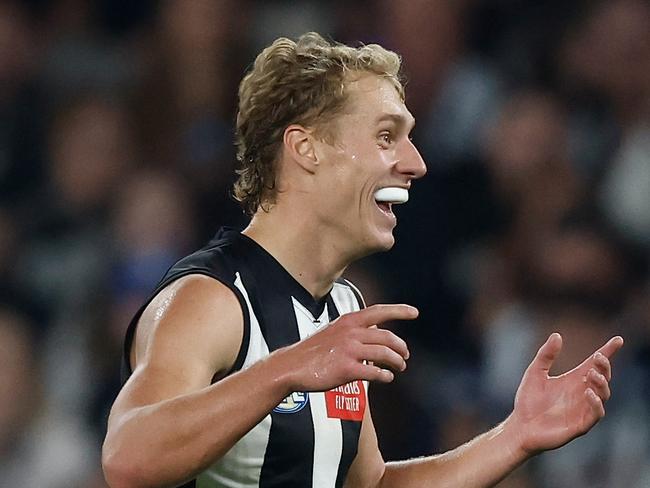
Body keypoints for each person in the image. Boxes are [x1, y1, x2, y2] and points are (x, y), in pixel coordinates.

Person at [102, 32, 623, 488]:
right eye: (385, 136)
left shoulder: (340, 308)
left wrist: (516, 436)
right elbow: (128, 458)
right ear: (306, 149)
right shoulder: (211, 297)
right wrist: (289, 366)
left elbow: (369, 484)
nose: (415, 162)